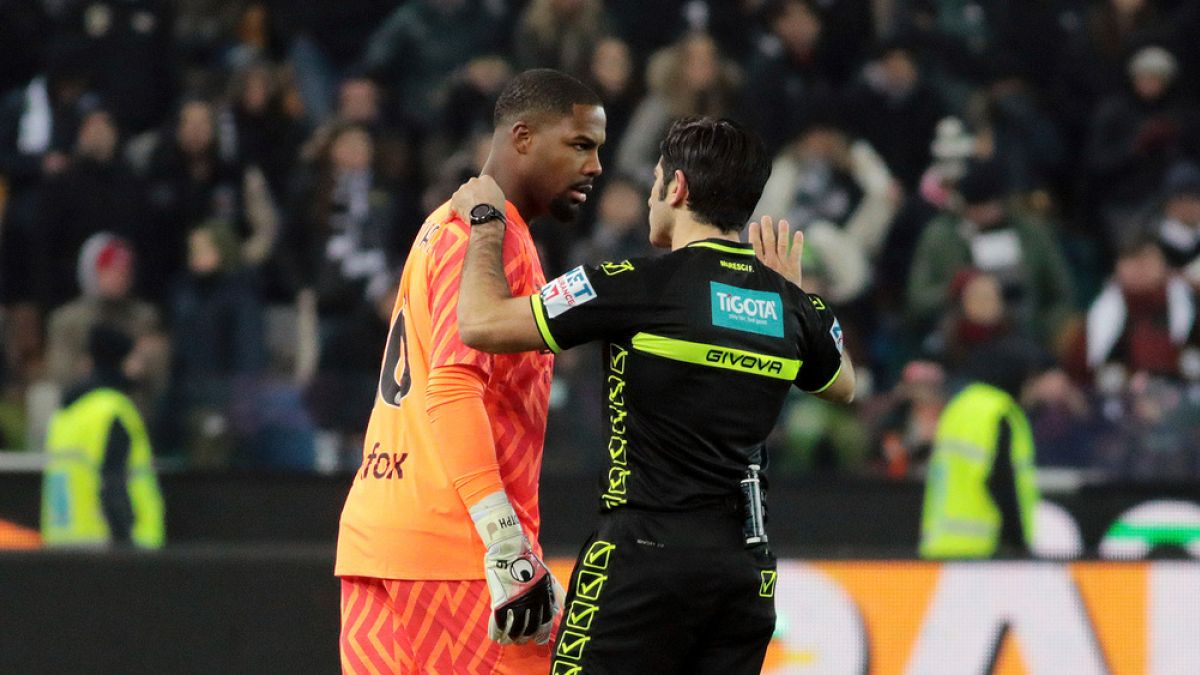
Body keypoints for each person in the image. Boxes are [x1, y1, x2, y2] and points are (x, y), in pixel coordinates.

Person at [452, 116, 854, 674]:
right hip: (745, 569)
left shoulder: (632, 284)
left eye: (655, 181)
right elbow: (842, 384)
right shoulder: (790, 307)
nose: (649, 197)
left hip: (643, 559)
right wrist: (789, 289)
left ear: (678, 188)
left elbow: (480, 323)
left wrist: (486, 223)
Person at [335, 69, 605, 674]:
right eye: (581, 145)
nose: (595, 167)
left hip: (377, 539)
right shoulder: (494, 239)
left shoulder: (440, 227)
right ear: (524, 137)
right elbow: (454, 385)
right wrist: (506, 542)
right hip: (460, 555)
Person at [919, 335, 1046, 559]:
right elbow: (1002, 481)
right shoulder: (999, 413)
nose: (1033, 391)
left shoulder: (959, 406)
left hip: (941, 545)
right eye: (1031, 381)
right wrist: (1018, 543)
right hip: (983, 551)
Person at [41, 324, 165, 549]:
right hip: (110, 549)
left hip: (63, 545)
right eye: (134, 358)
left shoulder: (67, 413)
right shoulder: (112, 411)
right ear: (120, 362)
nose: (139, 366)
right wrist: (126, 543)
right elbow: (113, 484)